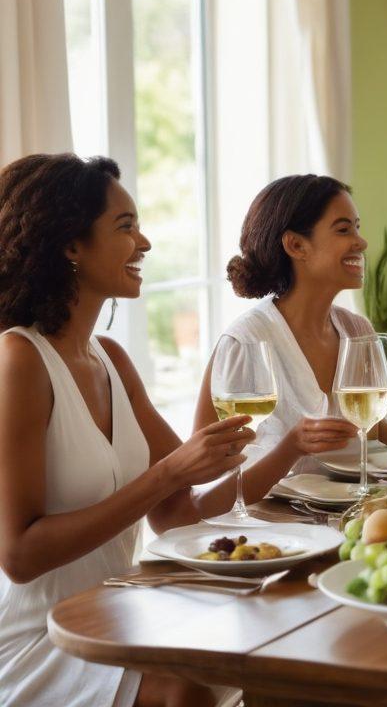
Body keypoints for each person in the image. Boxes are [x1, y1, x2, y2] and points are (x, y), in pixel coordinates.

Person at [0, 154, 253, 707]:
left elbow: (179, 515)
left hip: (115, 615)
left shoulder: (111, 358)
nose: (145, 242)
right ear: (71, 245)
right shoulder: (20, 359)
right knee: (184, 691)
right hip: (36, 640)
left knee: (257, 660)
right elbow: (18, 555)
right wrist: (167, 473)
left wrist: (286, 452)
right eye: (125, 227)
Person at [194, 175, 387, 479]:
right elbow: (201, 468)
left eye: (357, 227)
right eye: (344, 229)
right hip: (266, 522)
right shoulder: (246, 341)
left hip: (350, 518)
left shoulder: (358, 331)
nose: (361, 242)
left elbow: (377, 430)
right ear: (295, 245)